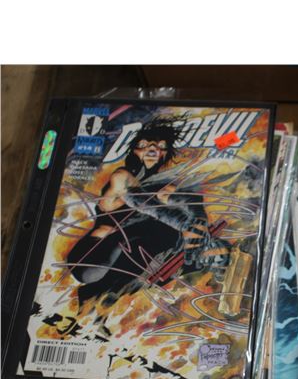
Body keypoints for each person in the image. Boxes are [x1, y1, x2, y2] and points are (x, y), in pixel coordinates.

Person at [67, 117, 230, 310]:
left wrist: (199, 224)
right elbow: (140, 201)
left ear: (165, 153)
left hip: (133, 265)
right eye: (144, 145)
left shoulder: (163, 187)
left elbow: (191, 201)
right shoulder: (121, 177)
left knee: (187, 238)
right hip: (92, 258)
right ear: (134, 150)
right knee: (160, 228)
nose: (153, 150)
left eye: (160, 147)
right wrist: (183, 224)